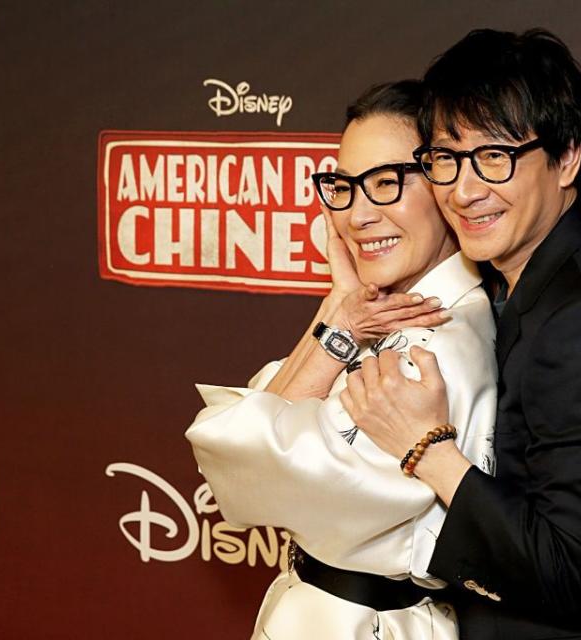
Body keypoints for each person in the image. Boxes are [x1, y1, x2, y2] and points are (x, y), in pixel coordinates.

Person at [340, 30, 581, 639]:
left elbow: (570, 572)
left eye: (495, 157)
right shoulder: (530, 279)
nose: (465, 189)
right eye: (447, 159)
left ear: (566, 158)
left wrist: (427, 449)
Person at [185, 80, 498, 640]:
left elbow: (237, 467)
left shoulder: (435, 340)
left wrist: (337, 328)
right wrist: (337, 314)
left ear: (446, 184)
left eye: (385, 183)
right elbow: (267, 421)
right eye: (345, 187)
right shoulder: (387, 314)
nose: (357, 214)